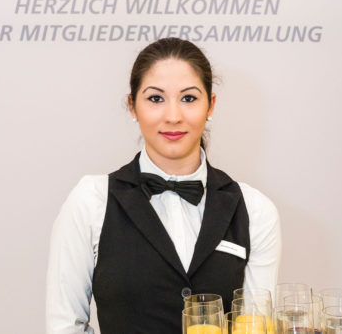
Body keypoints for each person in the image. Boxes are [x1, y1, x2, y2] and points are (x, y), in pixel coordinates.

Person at [45, 38, 281, 334]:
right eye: (156, 99)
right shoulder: (91, 201)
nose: (173, 116)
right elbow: (65, 326)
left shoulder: (256, 210)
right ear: (132, 106)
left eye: (189, 98)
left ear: (211, 105)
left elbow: (257, 326)